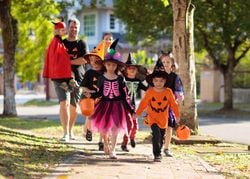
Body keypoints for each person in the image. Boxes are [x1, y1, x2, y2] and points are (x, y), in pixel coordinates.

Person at [90, 39, 134, 159]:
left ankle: (113, 149)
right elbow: (98, 92)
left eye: (113, 65)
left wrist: (131, 108)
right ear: (104, 64)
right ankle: (105, 143)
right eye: (108, 64)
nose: (111, 67)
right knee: (104, 128)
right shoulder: (101, 78)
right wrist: (91, 95)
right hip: (104, 105)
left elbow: (125, 95)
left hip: (117, 105)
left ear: (117, 66)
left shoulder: (120, 79)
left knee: (115, 127)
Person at [134, 62, 180, 162]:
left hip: (163, 119)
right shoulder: (150, 92)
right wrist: (137, 113)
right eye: (156, 81)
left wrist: (177, 115)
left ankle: (159, 149)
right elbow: (143, 103)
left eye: (161, 81)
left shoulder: (168, 92)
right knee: (156, 133)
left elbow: (173, 104)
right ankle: (157, 154)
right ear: (153, 81)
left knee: (161, 136)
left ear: (165, 81)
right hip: (152, 117)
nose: (158, 83)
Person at [52, 17, 88, 142]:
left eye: (76, 27)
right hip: (62, 78)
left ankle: (70, 129)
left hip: (77, 78)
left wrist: (69, 61)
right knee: (64, 104)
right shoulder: (61, 43)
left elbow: (84, 59)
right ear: (68, 28)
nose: (73, 29)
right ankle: (65, 133)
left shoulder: (82, 43)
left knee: (73, 106)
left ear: (79, 29)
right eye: (71, 27)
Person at [120, 53, 148, 152]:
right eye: (129, 68)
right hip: (124, 106)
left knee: (135, 125)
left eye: (134, 68)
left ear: (136, 71)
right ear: (126, 70)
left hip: (133, 106)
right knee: (129, 124)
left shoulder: (138, 81)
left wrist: (148, 78)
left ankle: (132, 137)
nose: (132, 69)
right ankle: (124, 143)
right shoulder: (122, 80)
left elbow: (148, 89)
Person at [159, 51, 184, 157]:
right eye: (163, 62)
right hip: (158, 105)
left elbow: (179, 90)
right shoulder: (158, 76)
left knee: (169, 127)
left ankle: (167, 148)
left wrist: (180, 97)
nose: (165, 63)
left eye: (168, 61)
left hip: (169, 106)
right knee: (159, 128)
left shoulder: (175, 77)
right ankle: (158, 147)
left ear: (172, 63)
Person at [80, 40, 105, 142]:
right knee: (91, 116)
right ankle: (89, 130)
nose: (95, 63)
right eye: (92, 60)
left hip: (103, 98)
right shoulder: (89, 73)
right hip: (91, 98)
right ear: (90, 61)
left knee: (103, 119)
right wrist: (87, 92)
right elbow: (83, 86)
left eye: (97, 61)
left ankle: (101, 141)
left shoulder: (105, 72)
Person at [43, 20, 73, 89]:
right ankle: (64, 82)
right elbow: (58, 56)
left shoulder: (58, 41)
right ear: (57, 31)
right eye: (63, 30)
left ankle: (66, 82)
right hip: (57, 74)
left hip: (58, 73)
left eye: (65, 30)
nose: (65, 32)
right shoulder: (56, 42)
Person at [97, 32, 114, 151]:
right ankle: (100, 140)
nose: (108, 41)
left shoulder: (114, 54)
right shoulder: (99, 52)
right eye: (106, 39)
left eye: (110, 39)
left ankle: (108, 141)